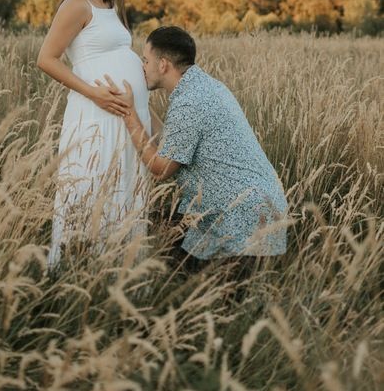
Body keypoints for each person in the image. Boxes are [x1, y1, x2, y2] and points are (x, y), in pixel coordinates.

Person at [100, 26, 288, 271]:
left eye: (145, 60)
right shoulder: (203, 87)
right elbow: (173, 138)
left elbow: (160, 169)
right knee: (172, 264)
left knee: (210, 298)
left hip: (243, 220)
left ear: (164, 64)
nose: (142, 67)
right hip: (245, 208)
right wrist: (140, 108)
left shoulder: (190, 101)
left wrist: (128, 113)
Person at [36, 0, 151, 268]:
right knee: (93, 186)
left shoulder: (112, 10)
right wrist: (95, 95)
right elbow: (46, 58)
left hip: (124, 119)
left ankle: (120, 269)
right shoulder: (76, 4)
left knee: (125, 186)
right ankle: (81, 269)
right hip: (96, 116)